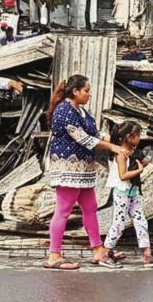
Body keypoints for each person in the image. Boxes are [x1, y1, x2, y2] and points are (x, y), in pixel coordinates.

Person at [43, 75, 131, 271]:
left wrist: (119, 139)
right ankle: (54, 255)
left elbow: (96, 134)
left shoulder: (81, 111)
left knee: (90, 207)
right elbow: (84, 139)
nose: (89, 95)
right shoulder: (64, 111)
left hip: (83, 169)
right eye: (86, 91)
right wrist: (113, 148)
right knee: (63, 211)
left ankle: (98, 249)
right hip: (67, 168)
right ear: (76, 91)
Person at [104, 122, 153, 268]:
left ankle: (147, 254)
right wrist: (139, 170)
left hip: (133, 192)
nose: (140, 138)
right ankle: (106, 253)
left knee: (141, 221)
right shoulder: (121, 155)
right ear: (130, 137)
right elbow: (123, 176)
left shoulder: (133, 152)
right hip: (122, 193)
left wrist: (140, 162)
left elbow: (144, 161)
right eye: (138, 135)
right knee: (118, 224)